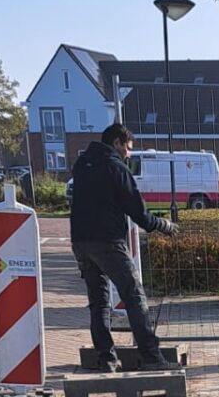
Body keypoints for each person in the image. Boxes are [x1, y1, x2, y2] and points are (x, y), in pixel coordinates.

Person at [69, 123, 175, 370]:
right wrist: (163, 225)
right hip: (107, 242)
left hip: (80, 241)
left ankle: (106, 358)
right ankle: (151, 357)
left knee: (99, 301)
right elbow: (138, 212)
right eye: (127, 148)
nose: (128, 154)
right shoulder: (115, 167)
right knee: (134, 295)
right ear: (116, 143)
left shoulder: (82, 165)